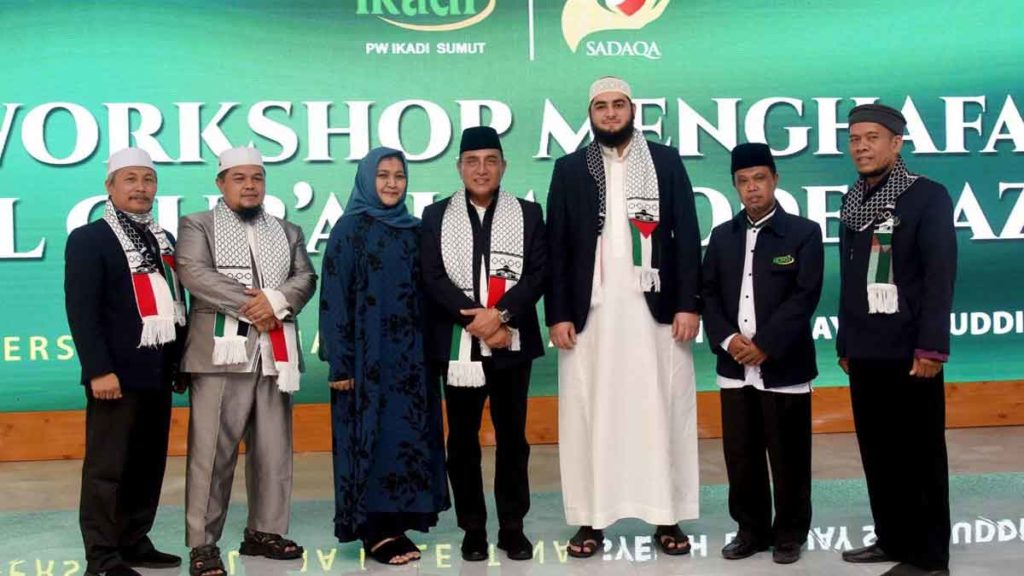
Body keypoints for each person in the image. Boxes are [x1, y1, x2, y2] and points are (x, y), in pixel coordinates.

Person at [546, 76, 703, 557]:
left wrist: (688, 304)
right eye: (601, 107)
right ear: (590, 115)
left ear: (633, 109)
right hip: (589, 314)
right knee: (589, 410)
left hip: (655, 311)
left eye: (618, 105)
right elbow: (556, 249)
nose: (610, 114)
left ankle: (666, 515)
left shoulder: (665, 161)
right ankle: (591, 520)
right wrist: (557, 314)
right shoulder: (571, 168)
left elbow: (688, 235)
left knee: (663, 408)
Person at [176, 147, 317, 576]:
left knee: (274, 452)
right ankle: (203, 544)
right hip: (221, 355)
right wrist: (258, 305)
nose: (250, 185)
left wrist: (277, 301)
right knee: (211, 455)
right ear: (221, 183)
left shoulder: (287, 230)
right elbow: (193, 272)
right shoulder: (197, 224)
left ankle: (264, 532)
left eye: (256, 177)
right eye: (239, 178)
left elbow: (306, 277)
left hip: (275, 356)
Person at [837, 104, 956, 576]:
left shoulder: (928, 197)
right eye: (854, 139)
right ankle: (893, 538)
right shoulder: (853, 200)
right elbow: (850, 279)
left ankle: (929, 559)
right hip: (866, 350)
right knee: (878, 452)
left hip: (911, 351)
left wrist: (932, 346)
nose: (861, 147)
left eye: (871, 138)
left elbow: (939, 275)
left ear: (896, 143)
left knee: (920, 454)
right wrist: (846, 341)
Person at [420, 126, 547, 561]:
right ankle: (472, 527)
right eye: (472, 161)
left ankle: (512, 526)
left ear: (503, 166)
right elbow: (432, 276)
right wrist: (477, 320)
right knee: (462, 439)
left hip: (511, 342)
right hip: (458, 345)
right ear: (459, 167)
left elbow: (537, 274)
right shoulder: (436, 215)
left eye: (490, 160)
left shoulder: (528, 213)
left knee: (513, 437)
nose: (481, 169)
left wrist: (502, 315)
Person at [319, 147, 450, 565]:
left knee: (406, 440)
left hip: (411, 362)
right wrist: (340, 363)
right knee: (370, 441)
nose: (392, 183)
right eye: (383, 175)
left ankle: (396, 524)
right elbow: (333, 299)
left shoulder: (415, 230)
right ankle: (374, 530)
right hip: (365, 362)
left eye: (399, 175)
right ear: (365, 179)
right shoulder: (349, 230)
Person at [65, 147, 186, 576]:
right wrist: (98, 369)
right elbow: (82, 310)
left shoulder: (163, 238)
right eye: (130, 179)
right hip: (115, 374)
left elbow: (176, 303)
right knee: (107, 468)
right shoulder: (89, 238)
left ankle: (134, 540)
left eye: (148, 180)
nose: (141, 188)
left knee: (147, 464)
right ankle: (101, 556)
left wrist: (179, 362)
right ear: (110, 187)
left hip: (157, 372)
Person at [701, 143, 823, 564]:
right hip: (734, 367)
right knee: (741, 455)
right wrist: (730, 339)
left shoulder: (804, 233)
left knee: (789, 456)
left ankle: (789, 533)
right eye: (743, 181)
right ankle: (750, 529)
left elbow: (805, 296)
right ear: (735, 186)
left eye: (759, 179)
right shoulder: (722, 237)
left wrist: (765, 345)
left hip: (784, 365)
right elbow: (710, 294)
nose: (752, 189)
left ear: (775, 180)